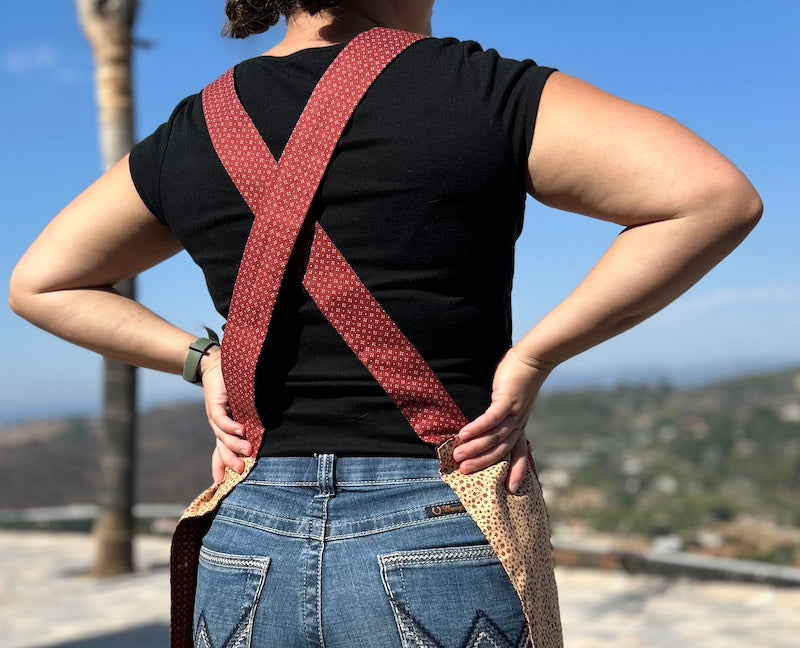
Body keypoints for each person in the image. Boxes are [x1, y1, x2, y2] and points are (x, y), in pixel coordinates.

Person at [9, 1, 762, 647]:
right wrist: (534, 357)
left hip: (247, 533)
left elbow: (42, 283)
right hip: (439, 516)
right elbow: (711, 198)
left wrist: (203, 359)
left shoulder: (199, 126)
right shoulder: (478, 88)